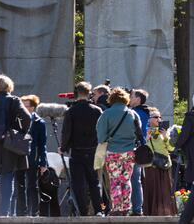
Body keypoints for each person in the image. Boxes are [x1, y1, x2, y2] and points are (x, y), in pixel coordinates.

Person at [0, 74, 32, 217]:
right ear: (9, 86)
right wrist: (19, 132)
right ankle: (4, 213)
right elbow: (27, 118)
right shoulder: (14, 101)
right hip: (9, 144)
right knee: (7, 177)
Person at [96, 87, 143, 216]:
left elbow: (101, 137)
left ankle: (117, 208)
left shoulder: (106, 114)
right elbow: (139, 134)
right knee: (126, 180)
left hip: (112, 152)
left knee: (115, 180)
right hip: (129, 152)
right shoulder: (133, 114)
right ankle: (126, 207)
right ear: (125, 99)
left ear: (111, 99)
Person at [60, 81, 104, 216]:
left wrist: (63, 147)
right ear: (89, 93)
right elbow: (101, 131)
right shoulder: (97, 110)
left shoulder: (71, 111)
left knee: (78, 184)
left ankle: (83, 212)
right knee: (94, 182)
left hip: (77, 152)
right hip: (93, 151)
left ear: (76, 93)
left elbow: (66, 131)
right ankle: (98, 210)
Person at [14, 94, 47, 216]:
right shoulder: (17, 120)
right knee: (20, 186)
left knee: (32, 186)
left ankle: (34, 212)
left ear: (33, 107)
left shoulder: (39, 122)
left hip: (32, 158)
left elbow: (43, 144)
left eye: (26, 106)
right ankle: (21, 213)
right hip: (18, 157)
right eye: (22, 106)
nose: (23, 108)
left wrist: (43, 162)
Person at [143, 107, 178, 215]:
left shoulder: (164, 131)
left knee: (164, 190)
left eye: (160, 117)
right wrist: (147, 138)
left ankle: (166, 212)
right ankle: (152, 212)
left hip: (164, 165)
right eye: (156, 117)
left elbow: (171, 149)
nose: (159, 119)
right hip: (151, 164)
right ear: (149, 119)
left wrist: (165, 137)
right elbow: (144, 149)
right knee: (152, 188)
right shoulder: (146, 131)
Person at [129, 88, 150, 216]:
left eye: (131, 96)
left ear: (138, 99)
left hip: (133, 149)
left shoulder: (137, 113)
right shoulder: (143, 111)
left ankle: (136, 209)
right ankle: (137, 208)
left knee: (134, 180)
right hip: (138, 148)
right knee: (135, 180)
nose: (129, 99)